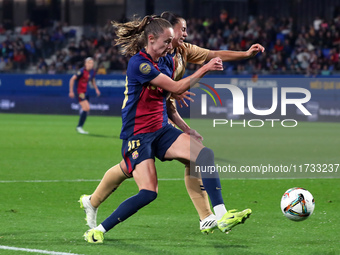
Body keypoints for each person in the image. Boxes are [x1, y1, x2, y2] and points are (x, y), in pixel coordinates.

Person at [80, 12, 264, 235]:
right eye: (169, 40)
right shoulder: (140, 64)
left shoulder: (169, 58)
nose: (172, 44)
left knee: (203, 156)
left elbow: (170, 94)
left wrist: (185, 126)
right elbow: (176, 88)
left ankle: (220, 215)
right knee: (147, 191)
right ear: (152, 39)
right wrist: (203, 70)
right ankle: (98, 229)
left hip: (161, 128)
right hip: (137, 133)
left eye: (171, 41)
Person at [69, 57, 101, 134]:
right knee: (86, 108)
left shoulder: (92, 71)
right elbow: (72, 79)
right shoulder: (81, 71)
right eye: (89, 63)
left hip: (86, 92)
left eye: (92, 63)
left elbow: (92, 80)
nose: (91, 64)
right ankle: (79, 127)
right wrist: (71, 91)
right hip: (80, 92)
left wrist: (96, 89)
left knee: (86, 109)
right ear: (85, 64)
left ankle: (79, 126)